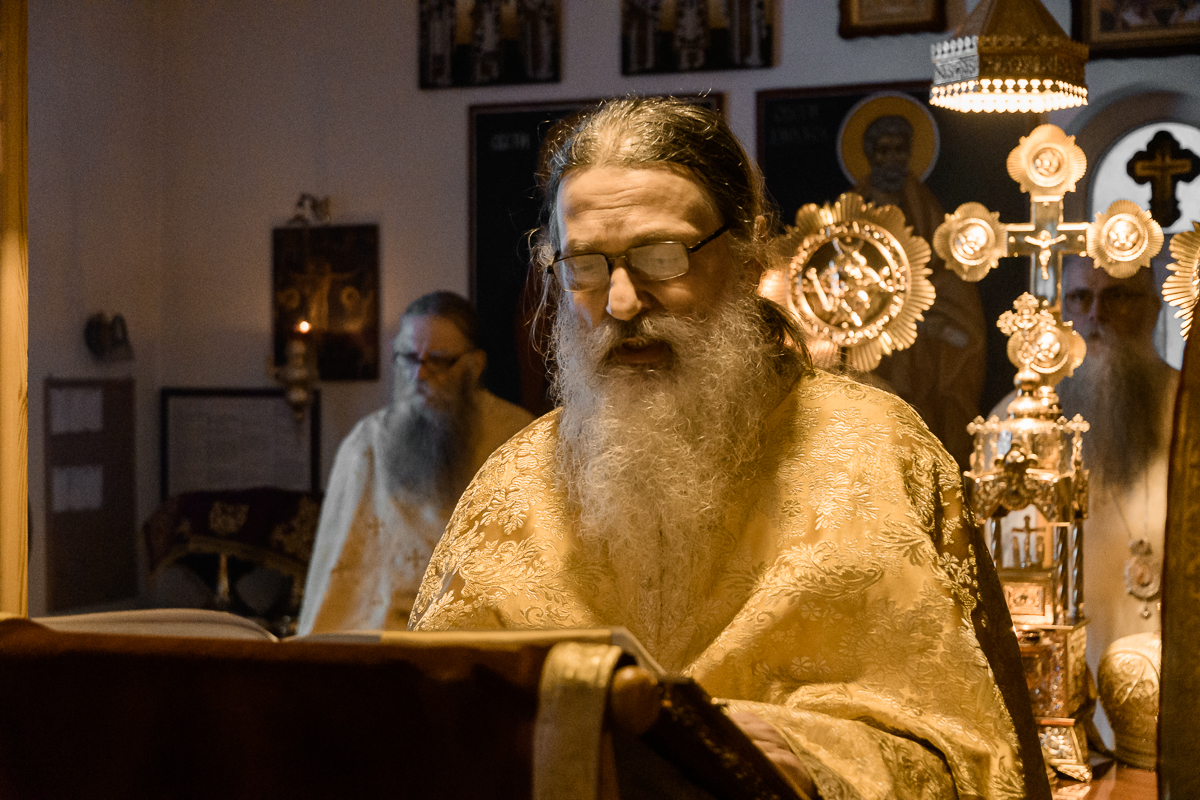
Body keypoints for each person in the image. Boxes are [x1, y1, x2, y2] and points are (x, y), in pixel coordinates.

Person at [410, 97, 1048, 799]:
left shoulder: (880, 454)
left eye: (662, 257)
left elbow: (981, 757)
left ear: (746, 260)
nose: (621, 302)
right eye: (585, 265)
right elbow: (429, 740)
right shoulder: (511, 486)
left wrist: (804, 756)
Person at [297, 292, 534, 635]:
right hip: (385, 638)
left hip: (482, 637)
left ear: (475, 365)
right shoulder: (367, 444)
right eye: (408, 358)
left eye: (438, 360)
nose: (419, 374)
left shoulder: (519, 439)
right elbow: (339, 575)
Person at [1056, 254, 1178, 744]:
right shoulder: (1021, 427)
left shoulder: (1191, 411)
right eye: (1079, 298)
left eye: (1118, 297)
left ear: (1153, 309)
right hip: (1069, 686)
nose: (1096, 315)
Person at [853, 114, 987, 471]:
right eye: (884, 150)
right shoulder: (853, 207)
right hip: (864, 330)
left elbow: (943, 270)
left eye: (900, 150)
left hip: (921, 343)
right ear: (871, 155)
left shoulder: (923, 206)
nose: (892, 159)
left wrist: (935, 320)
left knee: (922, 417)